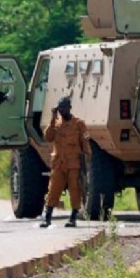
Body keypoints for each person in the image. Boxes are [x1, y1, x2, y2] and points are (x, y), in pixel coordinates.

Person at [40, 97, 92, 228]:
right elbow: (48, 137)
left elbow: (86, 144)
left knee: (75, 191)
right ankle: (47, 218)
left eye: (64, 108)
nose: (62, 111)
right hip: (59, 164)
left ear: (69, 108)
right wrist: (52, 118)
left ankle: (73, 217)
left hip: (74, 164)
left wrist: (86, 163)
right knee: (53, 190)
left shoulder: (79, 124)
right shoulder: (55, 124)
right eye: (60, 108)